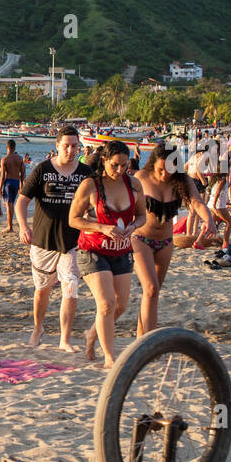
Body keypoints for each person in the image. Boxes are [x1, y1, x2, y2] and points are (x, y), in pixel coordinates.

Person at [70, 141, 146, 368]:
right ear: (104, 161)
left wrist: (134, 227)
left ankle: (92, 333)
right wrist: (102, 227)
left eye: (125, 165)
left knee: (120, 305)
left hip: (122, 252)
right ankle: (110, 358)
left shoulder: (134, 185)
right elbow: (73, 219)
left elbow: (142, 216)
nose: (121, 170)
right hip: (92, 250)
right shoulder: (90, 185)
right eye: (115, 165)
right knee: (106, 304)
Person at [16, 126, 89, 350]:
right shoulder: (42, 169)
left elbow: (95, 203)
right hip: (42, 239)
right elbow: (22, 200)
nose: (70, 150)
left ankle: (64, 339)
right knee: (42, 289)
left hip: (73, 242)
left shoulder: (86, 173)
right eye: (65, 146)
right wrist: (22, 226)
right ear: (57, 146)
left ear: (79, 147)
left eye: (74, 146)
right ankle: (38, 328)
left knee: (70, 287)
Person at [132, 144, 213, 336]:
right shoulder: (141, 178)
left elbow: (197, 202)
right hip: (140, 239)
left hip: (166, 242)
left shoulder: (182, 180)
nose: (165, 174)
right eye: (161, 169)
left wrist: (209, 219)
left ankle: (140, 338)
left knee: (153, 294)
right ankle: (149, 344)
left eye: (169, 170)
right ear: (153, 164)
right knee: (150, 288)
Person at [0, 140, 25, 234]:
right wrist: (22, 184)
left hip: (8, 182)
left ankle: (10, 226)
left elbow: (2, 175)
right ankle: (12, 225)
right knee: (12, 203)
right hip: (16, 182)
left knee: (9, 204)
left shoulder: (4, 159)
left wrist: (0, 188)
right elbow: (23, 173)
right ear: (14, 147)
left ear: (7, 147)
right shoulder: (19, 158)